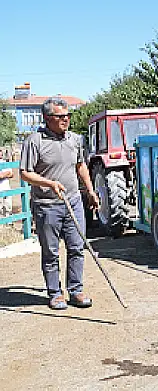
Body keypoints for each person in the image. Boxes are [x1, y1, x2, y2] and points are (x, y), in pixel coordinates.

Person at [20, 97, 99, 310]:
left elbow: (81, 165)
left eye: (68, 116)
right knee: (51, 252)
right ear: (47, 118)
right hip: (46, 205)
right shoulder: (34, 141)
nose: (66, 120)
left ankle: (76, 291)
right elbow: (25, 173)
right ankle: (55, 294)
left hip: (73, 202)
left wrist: (90, 191)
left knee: (77, 247)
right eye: (61, 116)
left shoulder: (75, 140)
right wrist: (48, 183)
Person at [0, 151, 12, 217]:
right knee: (1, 208)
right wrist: (6, 174)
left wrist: (3, 175)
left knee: (8, 206)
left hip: (7, 188)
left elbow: (11, 174)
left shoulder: (5, 163)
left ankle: (9, 223)